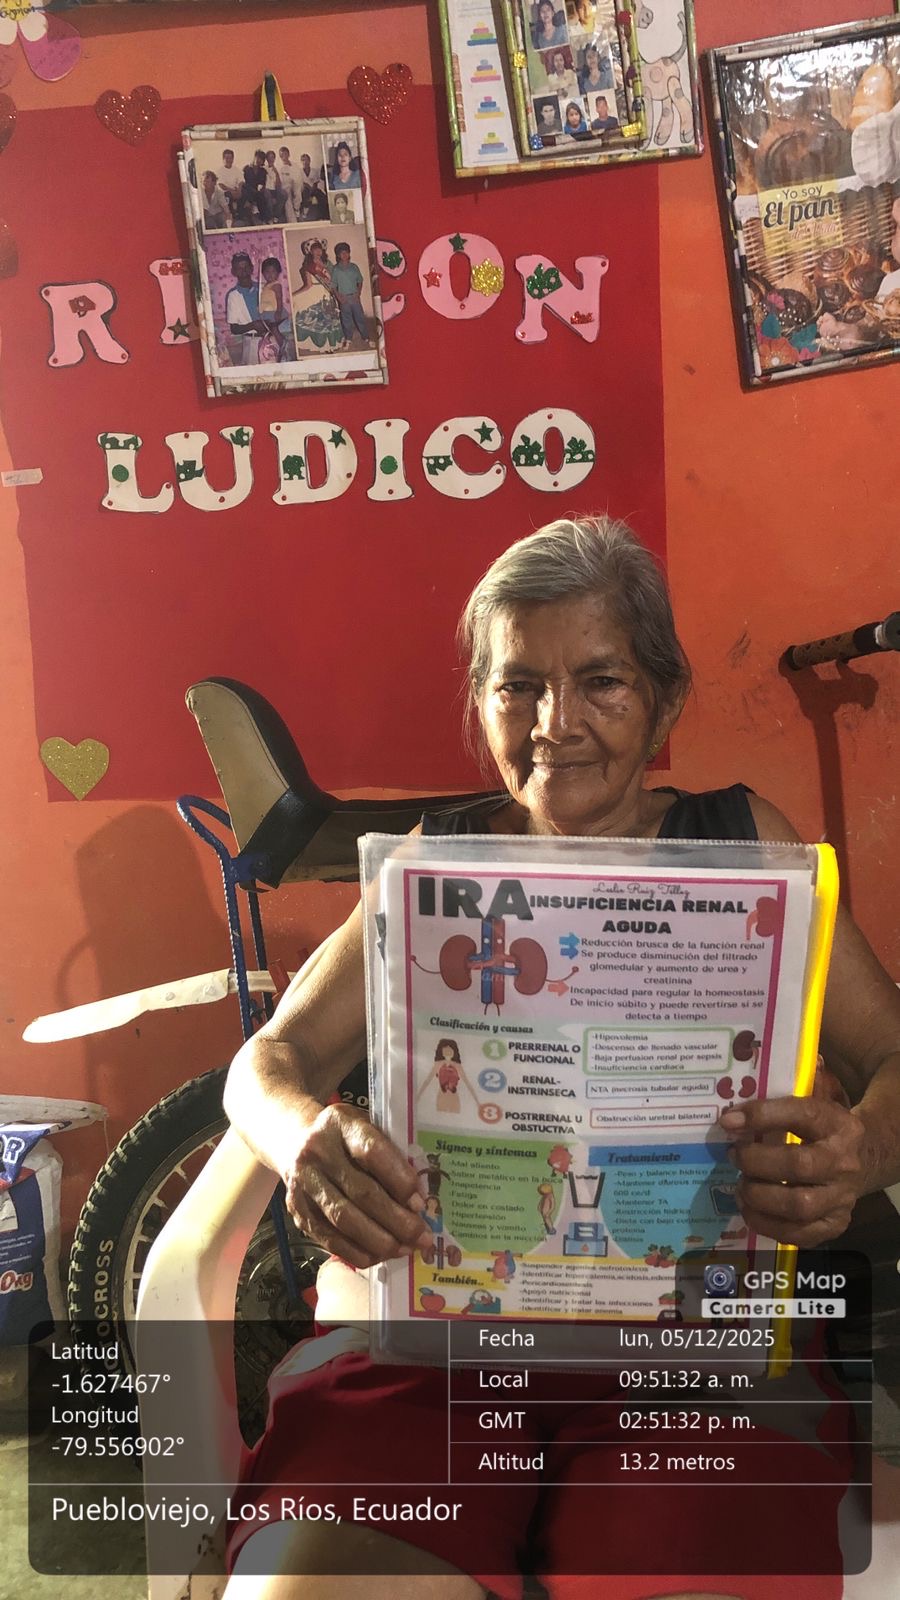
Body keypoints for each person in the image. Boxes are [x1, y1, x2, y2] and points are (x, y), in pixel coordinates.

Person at [222, 515, 900, 1598]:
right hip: (437, 1352)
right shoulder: (431, 866)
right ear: (480, 701)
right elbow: (269, 1058)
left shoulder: (743, 846)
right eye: (518, 686)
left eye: (601, 682)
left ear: (665, 701)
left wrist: (857, 1153)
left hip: (689, 1358)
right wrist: (304, 1137)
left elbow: (893, 1055)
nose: (555, 724)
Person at [292, 238, 344, 353]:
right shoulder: (308, 265)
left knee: (329, 320)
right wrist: (293, 295)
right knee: (318, 320)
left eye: (319, 249)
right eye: (315, 249)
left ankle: (330, 345)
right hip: (314, 292)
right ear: (310, 251)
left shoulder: (327, 264)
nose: (318, 252)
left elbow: (334, 278)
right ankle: (323, 346)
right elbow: (308, 285)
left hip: (327, 293)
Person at [224, 251, 269, 365]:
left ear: (252, 268)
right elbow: (234, 329)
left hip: (270, 339)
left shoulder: (263, 288)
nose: (243, 271)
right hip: (251, 343)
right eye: (239, 268)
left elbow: (275, 314)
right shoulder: (233, 296)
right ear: (233, 271)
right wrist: (253, 325)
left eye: (246, 267)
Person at [329, 240, 369, 347]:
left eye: (346, 252)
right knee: (346, 320)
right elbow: (333, 285)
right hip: (344, 298)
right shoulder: (336, 269)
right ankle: (348, 338)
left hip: (354, 297)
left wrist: (358, 293)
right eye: (342, 253)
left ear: (349, 253)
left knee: (360, 318)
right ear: (338, 255)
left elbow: (360, 280)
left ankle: (366, 337)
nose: (344, 255)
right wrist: (338, 297)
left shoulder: (354, 267)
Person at [258, 256, 290, 359]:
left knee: (273, 327)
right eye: (267, 272)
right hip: (267, 312)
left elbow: (279, 298)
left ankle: (283, 344)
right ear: (263, 273)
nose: (270, 274)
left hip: (275, 311)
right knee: (267, 329)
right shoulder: (266, 285)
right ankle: (273, 347)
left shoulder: (276, 285)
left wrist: (278, 311)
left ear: (278, 273)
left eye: (273, 271)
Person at [298, 150, 329, 219]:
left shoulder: (314, 171)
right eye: (303, 160)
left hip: (314, 189)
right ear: (301, 162)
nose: (305, 162)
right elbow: (302, 183)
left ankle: (323, 216)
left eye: (307, 160)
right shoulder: (299, 172)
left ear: (309, 161)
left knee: (323, 196)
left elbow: (316, 182)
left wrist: (312, 189)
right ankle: (304, 213)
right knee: (305, 192)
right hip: (305, 189)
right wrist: (309, 188)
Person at [216, 148, 243, 214]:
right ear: (223, 159)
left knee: (245, 192)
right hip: (225, 192)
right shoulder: (220, 171)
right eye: (227, 158)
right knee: (228, 195)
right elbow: (221, 185)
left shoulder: (236, 169)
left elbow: (241, 181)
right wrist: (232, 191)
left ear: (233, 159)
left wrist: (239, 190)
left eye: (230, 158)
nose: (229, 160)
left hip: (236, 190)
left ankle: (240, 214)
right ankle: (232, 214)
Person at [277, 145, 300, 221]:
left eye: (285, 154)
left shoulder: (295, 165)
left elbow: (298, 178)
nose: (283, 157)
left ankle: (297, 209)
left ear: (288, 154)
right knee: (287, 195)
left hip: (295, 184)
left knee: (297, 189)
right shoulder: (279, 167)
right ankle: (292, 220)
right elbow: (280, 181)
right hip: (285, 186)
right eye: (281, 155)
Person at [264, 149, 285, 222]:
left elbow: (279, 184)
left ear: (274, 158)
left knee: (284, 194)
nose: (271, 159)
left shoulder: (278, 169)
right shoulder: (264, 168)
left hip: (275, 189)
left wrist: (276, 173)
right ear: (266, 159)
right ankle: (270, 217)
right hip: (266, 189)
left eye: (272, 157)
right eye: (269, 157)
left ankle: (276, 215)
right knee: (268, 195)